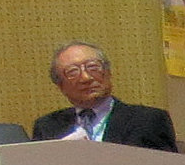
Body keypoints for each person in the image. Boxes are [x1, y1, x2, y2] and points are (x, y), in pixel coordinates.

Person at [31, 43, 177, 149]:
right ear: (60, 86)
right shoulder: (47, 126)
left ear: (108, 72)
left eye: (93, 67)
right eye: (73, 72)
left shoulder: (148, 120)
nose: (86, 77)